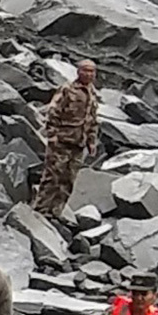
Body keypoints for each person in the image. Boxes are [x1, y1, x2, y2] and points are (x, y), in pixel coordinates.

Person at [35, 59, 99, 220]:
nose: (89, 74)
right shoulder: (67, 89)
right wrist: (53, 136)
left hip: (79, 143)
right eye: (85, 70)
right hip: (61, 142)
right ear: (78, 72)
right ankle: (40, 211)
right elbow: (53, 113)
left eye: (92, 71)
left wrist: (91, 141)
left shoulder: (92, 93)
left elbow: (92, 119)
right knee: (52, 177)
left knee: (68, 180)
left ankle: (56, 212)